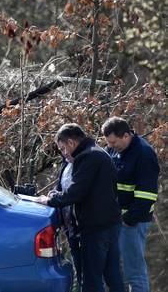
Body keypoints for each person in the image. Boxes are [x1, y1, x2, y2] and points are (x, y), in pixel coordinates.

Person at [34, 124, 123, 292]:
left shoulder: (87, 157)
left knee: (91, 281)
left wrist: (48, 200)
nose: (63, 153)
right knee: (113, 276)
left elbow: (74, 193)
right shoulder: (97, 153)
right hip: (109, 224)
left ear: (71, 142)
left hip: (95, 228)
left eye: (62, 148)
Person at [102, 117, 160, 292]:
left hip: (133, 222)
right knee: (117, 271)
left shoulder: (144, 154)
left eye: (113, 142)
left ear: (126, 135)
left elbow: (147, 196)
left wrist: (127, 220)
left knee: (134, 273)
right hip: (118, 220)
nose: (111, 147)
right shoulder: (114, 151)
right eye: (108, 143)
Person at [54, 148, 82, 291]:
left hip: (82, 227)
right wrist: (53, 194)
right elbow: (60, 189)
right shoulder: (65, 164)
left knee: (90, 274)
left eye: (65, 148)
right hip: (69, 227)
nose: (64, 152)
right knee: (78, 271)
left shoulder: (83, 164)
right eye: (61, 149)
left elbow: (73, 194)